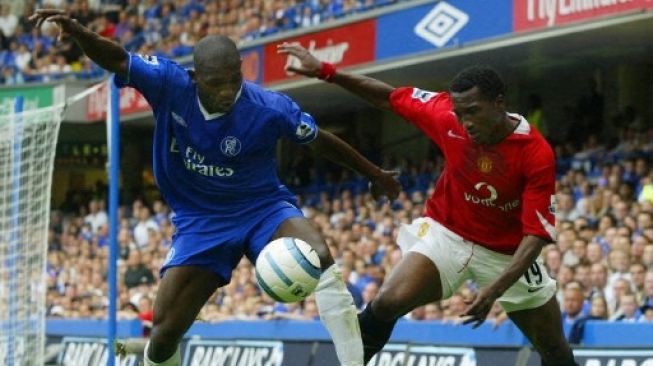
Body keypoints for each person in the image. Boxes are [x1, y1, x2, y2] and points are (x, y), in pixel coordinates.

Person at [30, 9, 401, 366]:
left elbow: (319, 139)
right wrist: (79, 33)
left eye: (233, 80)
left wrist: (374, 173)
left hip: (262, 209)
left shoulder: (270, 108)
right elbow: (117, 58)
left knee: (318, 253)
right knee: (164, 331)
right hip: (201, 220)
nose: (227, 91)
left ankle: (354, 360)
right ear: (195, 77)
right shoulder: (169, 84)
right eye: (216, 83)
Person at [278, 43, 578, 365]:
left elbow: (536, 235)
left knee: (555, 350)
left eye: (473, 111)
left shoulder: (535, 152)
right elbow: (387, 97)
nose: (465, 123)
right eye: (460, 114)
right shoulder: (444, 113)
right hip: (447, 234)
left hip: (507, 254)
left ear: (499, 103)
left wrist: (493, 291)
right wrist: (326, 71)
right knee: (387, 302)